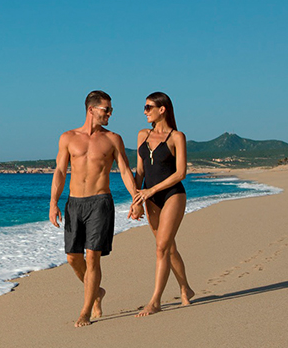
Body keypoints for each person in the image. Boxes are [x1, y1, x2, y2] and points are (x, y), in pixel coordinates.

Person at [49, 90, 140, 327]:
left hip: (100, 203)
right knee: (72, 258)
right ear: (91, 110)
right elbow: (59, 171)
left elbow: (124, 170)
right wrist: (53, 203)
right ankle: (96, 292)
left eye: (110, 109)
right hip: (74, 203)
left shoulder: (113, 139)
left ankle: (86, 310)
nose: (110, 113)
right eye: (106, 109)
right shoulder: (68, 138)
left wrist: (136, 199)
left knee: (93, 257)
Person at [132, 91, 196, 317]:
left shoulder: (177, 137)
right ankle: (185, 288)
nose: (145, 111)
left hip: (172, 195)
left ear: (162, 109)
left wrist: (152, 190)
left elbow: (180, 173)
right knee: (168, 247)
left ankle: (156, 300)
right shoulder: (142, 135)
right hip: (150, 199)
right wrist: (136, 199)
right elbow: (139, 172)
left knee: (161, 247)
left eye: (148, 107)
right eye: (145, 107)